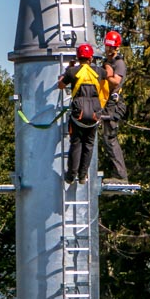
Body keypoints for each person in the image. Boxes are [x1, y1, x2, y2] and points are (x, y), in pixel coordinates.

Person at [58, 43, 103, 185]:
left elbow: (61, 85)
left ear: (78, 57)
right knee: (89, 144)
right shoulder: (98, 71)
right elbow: (109, 75)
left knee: (76, 143)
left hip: (79, 115)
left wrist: (67, 71)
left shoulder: (72, 72)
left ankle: (71, 176)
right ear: (90, 58)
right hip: (95, 114)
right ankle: (83, 176)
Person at [100, 30, 129, 183]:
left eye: (111, 47)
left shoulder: (118, 63)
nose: (108, 49)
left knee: (110, 138)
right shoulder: (107, 62)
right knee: (106, 139)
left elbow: (116, 81)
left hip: (114, 104)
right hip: (106, 103)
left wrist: (106, 74)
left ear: (116, 47)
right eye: (107, 46)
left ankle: (121, 175)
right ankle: (116, 172)